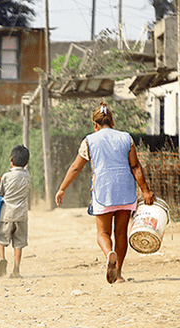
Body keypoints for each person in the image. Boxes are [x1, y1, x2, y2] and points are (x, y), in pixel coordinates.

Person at [55, 102, 155, 284]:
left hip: (103, 191)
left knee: (103, 233)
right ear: (112, 121)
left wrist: (62, 188)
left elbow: (76, 167)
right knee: (121, 233)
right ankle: (118, 274)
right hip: (126, 191)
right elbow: (135, 166)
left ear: (95, 124)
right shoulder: (127, 138)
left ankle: (109, 253)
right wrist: (146, 190)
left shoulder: (89, 141)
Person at [0, 145, 31, 279]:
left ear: (11, 160)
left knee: (1, 239)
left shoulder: (6, 176)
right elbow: (15, 180)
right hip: (21, 215)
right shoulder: (27, 175)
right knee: (19, 243)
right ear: (26, 162)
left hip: (7, 214)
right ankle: (16, 270)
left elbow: (0, 192)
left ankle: (2, 258)